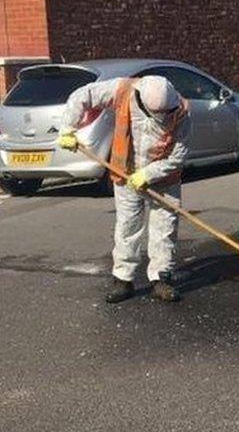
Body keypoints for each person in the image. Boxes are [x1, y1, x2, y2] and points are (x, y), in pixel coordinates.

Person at [57, 76, 190, 304]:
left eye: (166, 113)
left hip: (164, 176)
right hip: (125, 171)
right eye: (158, 114)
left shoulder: (181, 110)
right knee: (128, 226)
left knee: (165, 227)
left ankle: (161, 279)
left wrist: (148, 175)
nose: (163, 118)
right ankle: (123, 279)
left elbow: (179, 154)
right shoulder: (122, 91)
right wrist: (68, 127)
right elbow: (83, 96)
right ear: (142, 102)